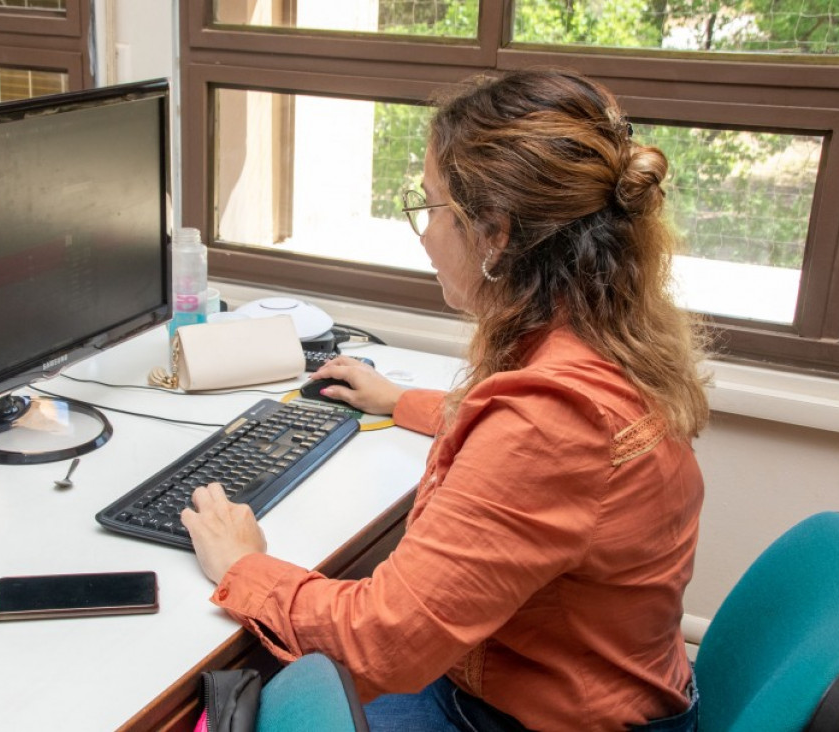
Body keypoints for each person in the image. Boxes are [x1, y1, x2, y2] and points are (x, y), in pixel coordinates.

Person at [180, 67, 709, 732]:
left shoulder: (552, 423)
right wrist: (399, 399)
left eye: (432, 206)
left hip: (521, 720)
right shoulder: (602, 337)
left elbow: (382, 643)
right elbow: (519, 447)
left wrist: (245, 564)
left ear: (496, 232)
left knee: (250, 696)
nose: (424, 232)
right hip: (582, 690)